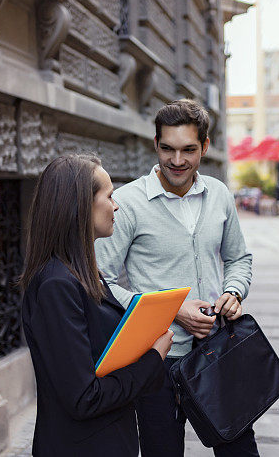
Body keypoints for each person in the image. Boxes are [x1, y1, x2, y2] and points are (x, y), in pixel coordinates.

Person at [96, 99, 257, 457]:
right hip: (157, 360)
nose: (177, 160)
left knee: (240, 450)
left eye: (188, 149)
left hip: (218, 350)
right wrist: (170, 311)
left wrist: (233, 291)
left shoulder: (219, 195)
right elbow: (100, 282)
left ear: (205, 146)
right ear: (155, 144)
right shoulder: (127, 203)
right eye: (167, 149)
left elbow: (238, 258)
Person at [20, 154, 174, 457]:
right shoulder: (56, 286)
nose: (116, 206)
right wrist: (153, 359)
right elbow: (84, 397)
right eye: (109, 196)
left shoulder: (84, 274)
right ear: (80, 206)